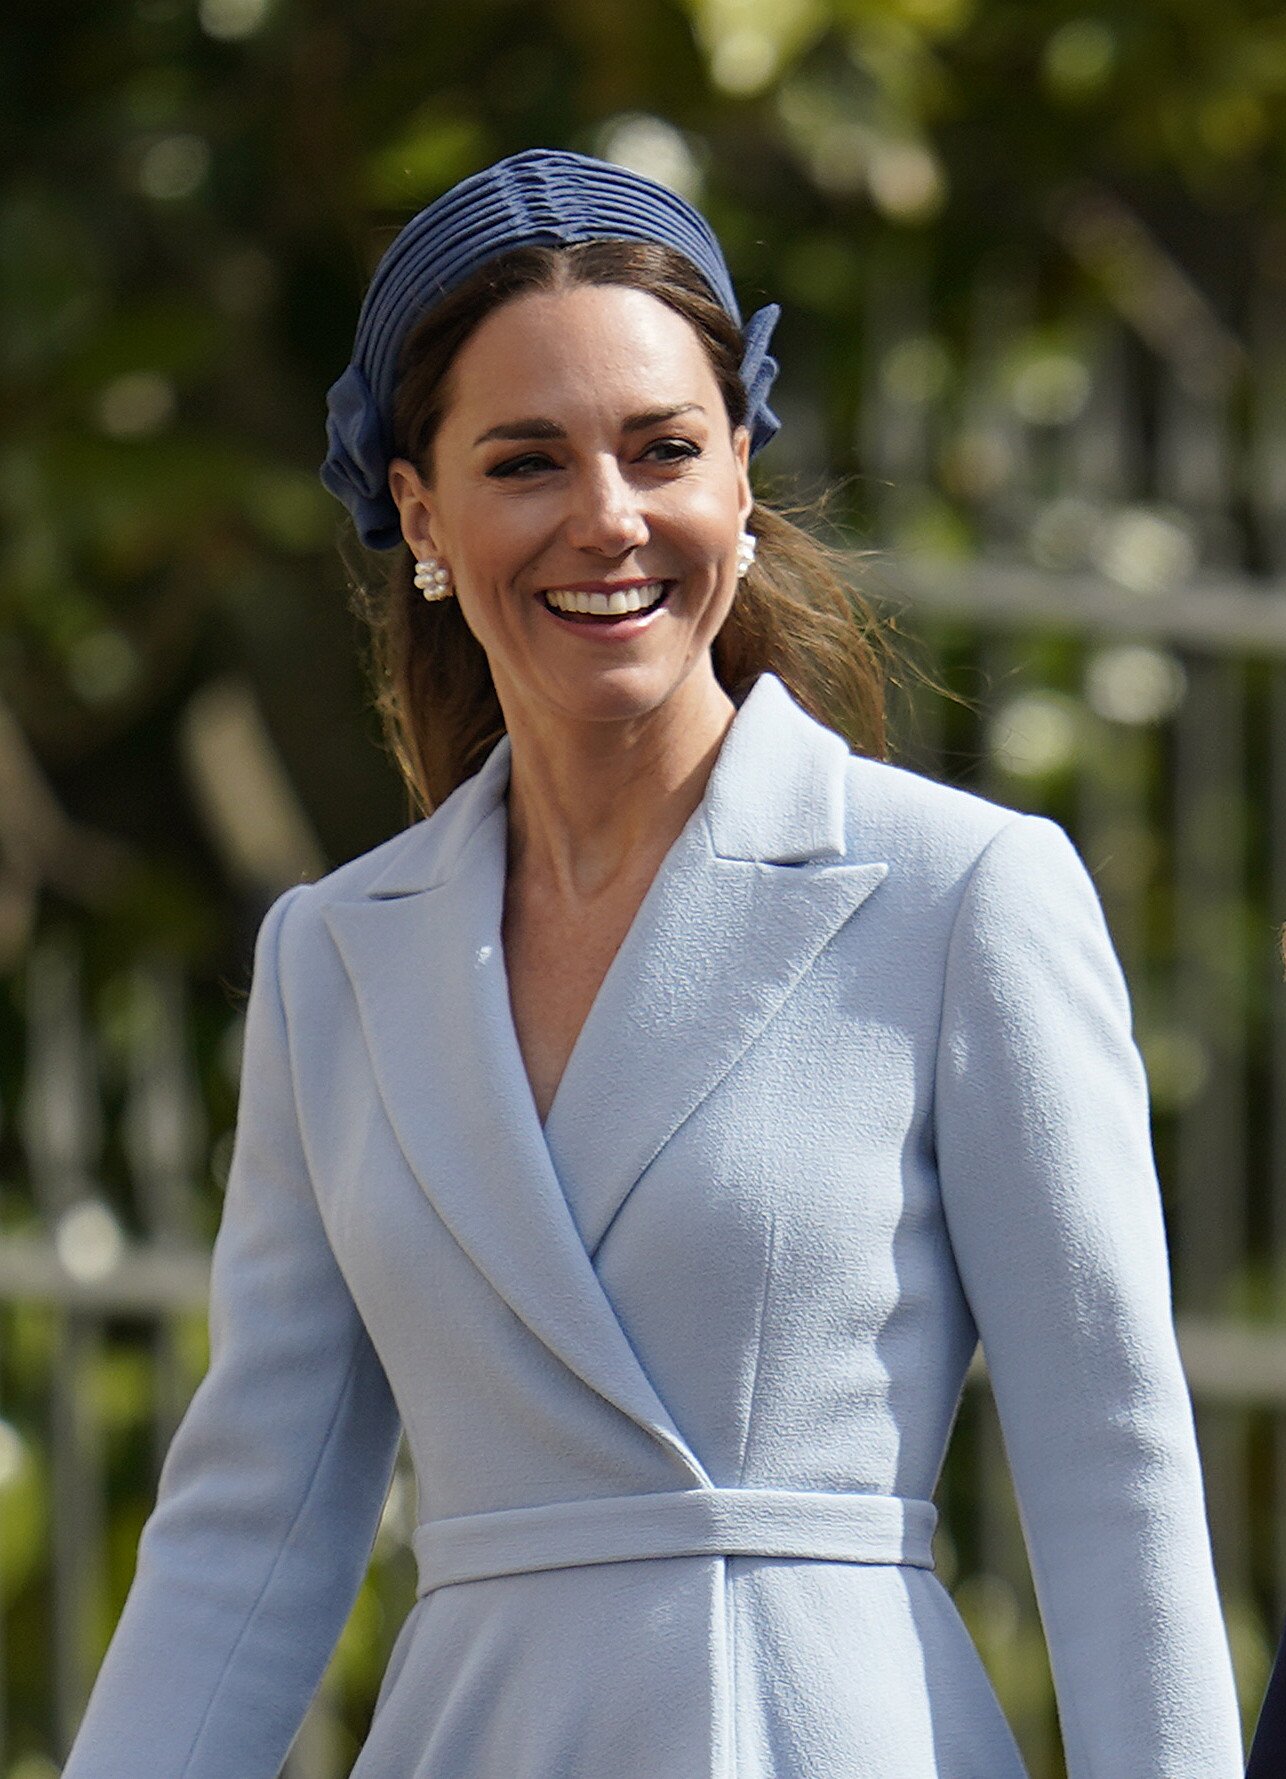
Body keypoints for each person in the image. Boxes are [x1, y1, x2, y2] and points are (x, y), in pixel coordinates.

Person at [61, 147, 1242, 1779]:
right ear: (420, 511)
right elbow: (244, 1526)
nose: (607, 518)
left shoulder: (962, 893)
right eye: (525, 461)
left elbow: (1112, 1469)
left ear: (739, 473)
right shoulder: (335, 959)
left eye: (663, 448)